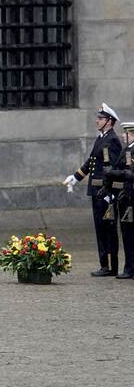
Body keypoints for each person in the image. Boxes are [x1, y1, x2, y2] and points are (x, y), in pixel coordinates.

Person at [63, 104, 123, 276]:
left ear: (109, 121)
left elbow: (113, 168)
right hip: (96, 191)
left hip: (105, 193)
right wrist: (75, 177)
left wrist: (110, 193)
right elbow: (92, 162)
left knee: (108, 230)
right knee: (100, 229)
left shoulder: (112, 141)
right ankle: (104, 265)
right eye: (98, 118)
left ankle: (111, 267)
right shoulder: (101, 138)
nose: (97, 121)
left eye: (101, 118)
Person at [102, 121, 134, 279]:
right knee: (127, 234)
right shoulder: (127, 150)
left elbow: (130, 173)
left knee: (130, 234)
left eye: (126, 133)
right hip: (124, 197)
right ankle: (129, 267)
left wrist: (113, 173)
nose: (123, 135)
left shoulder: (132, 151)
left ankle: (130, 269)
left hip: (130, 198)